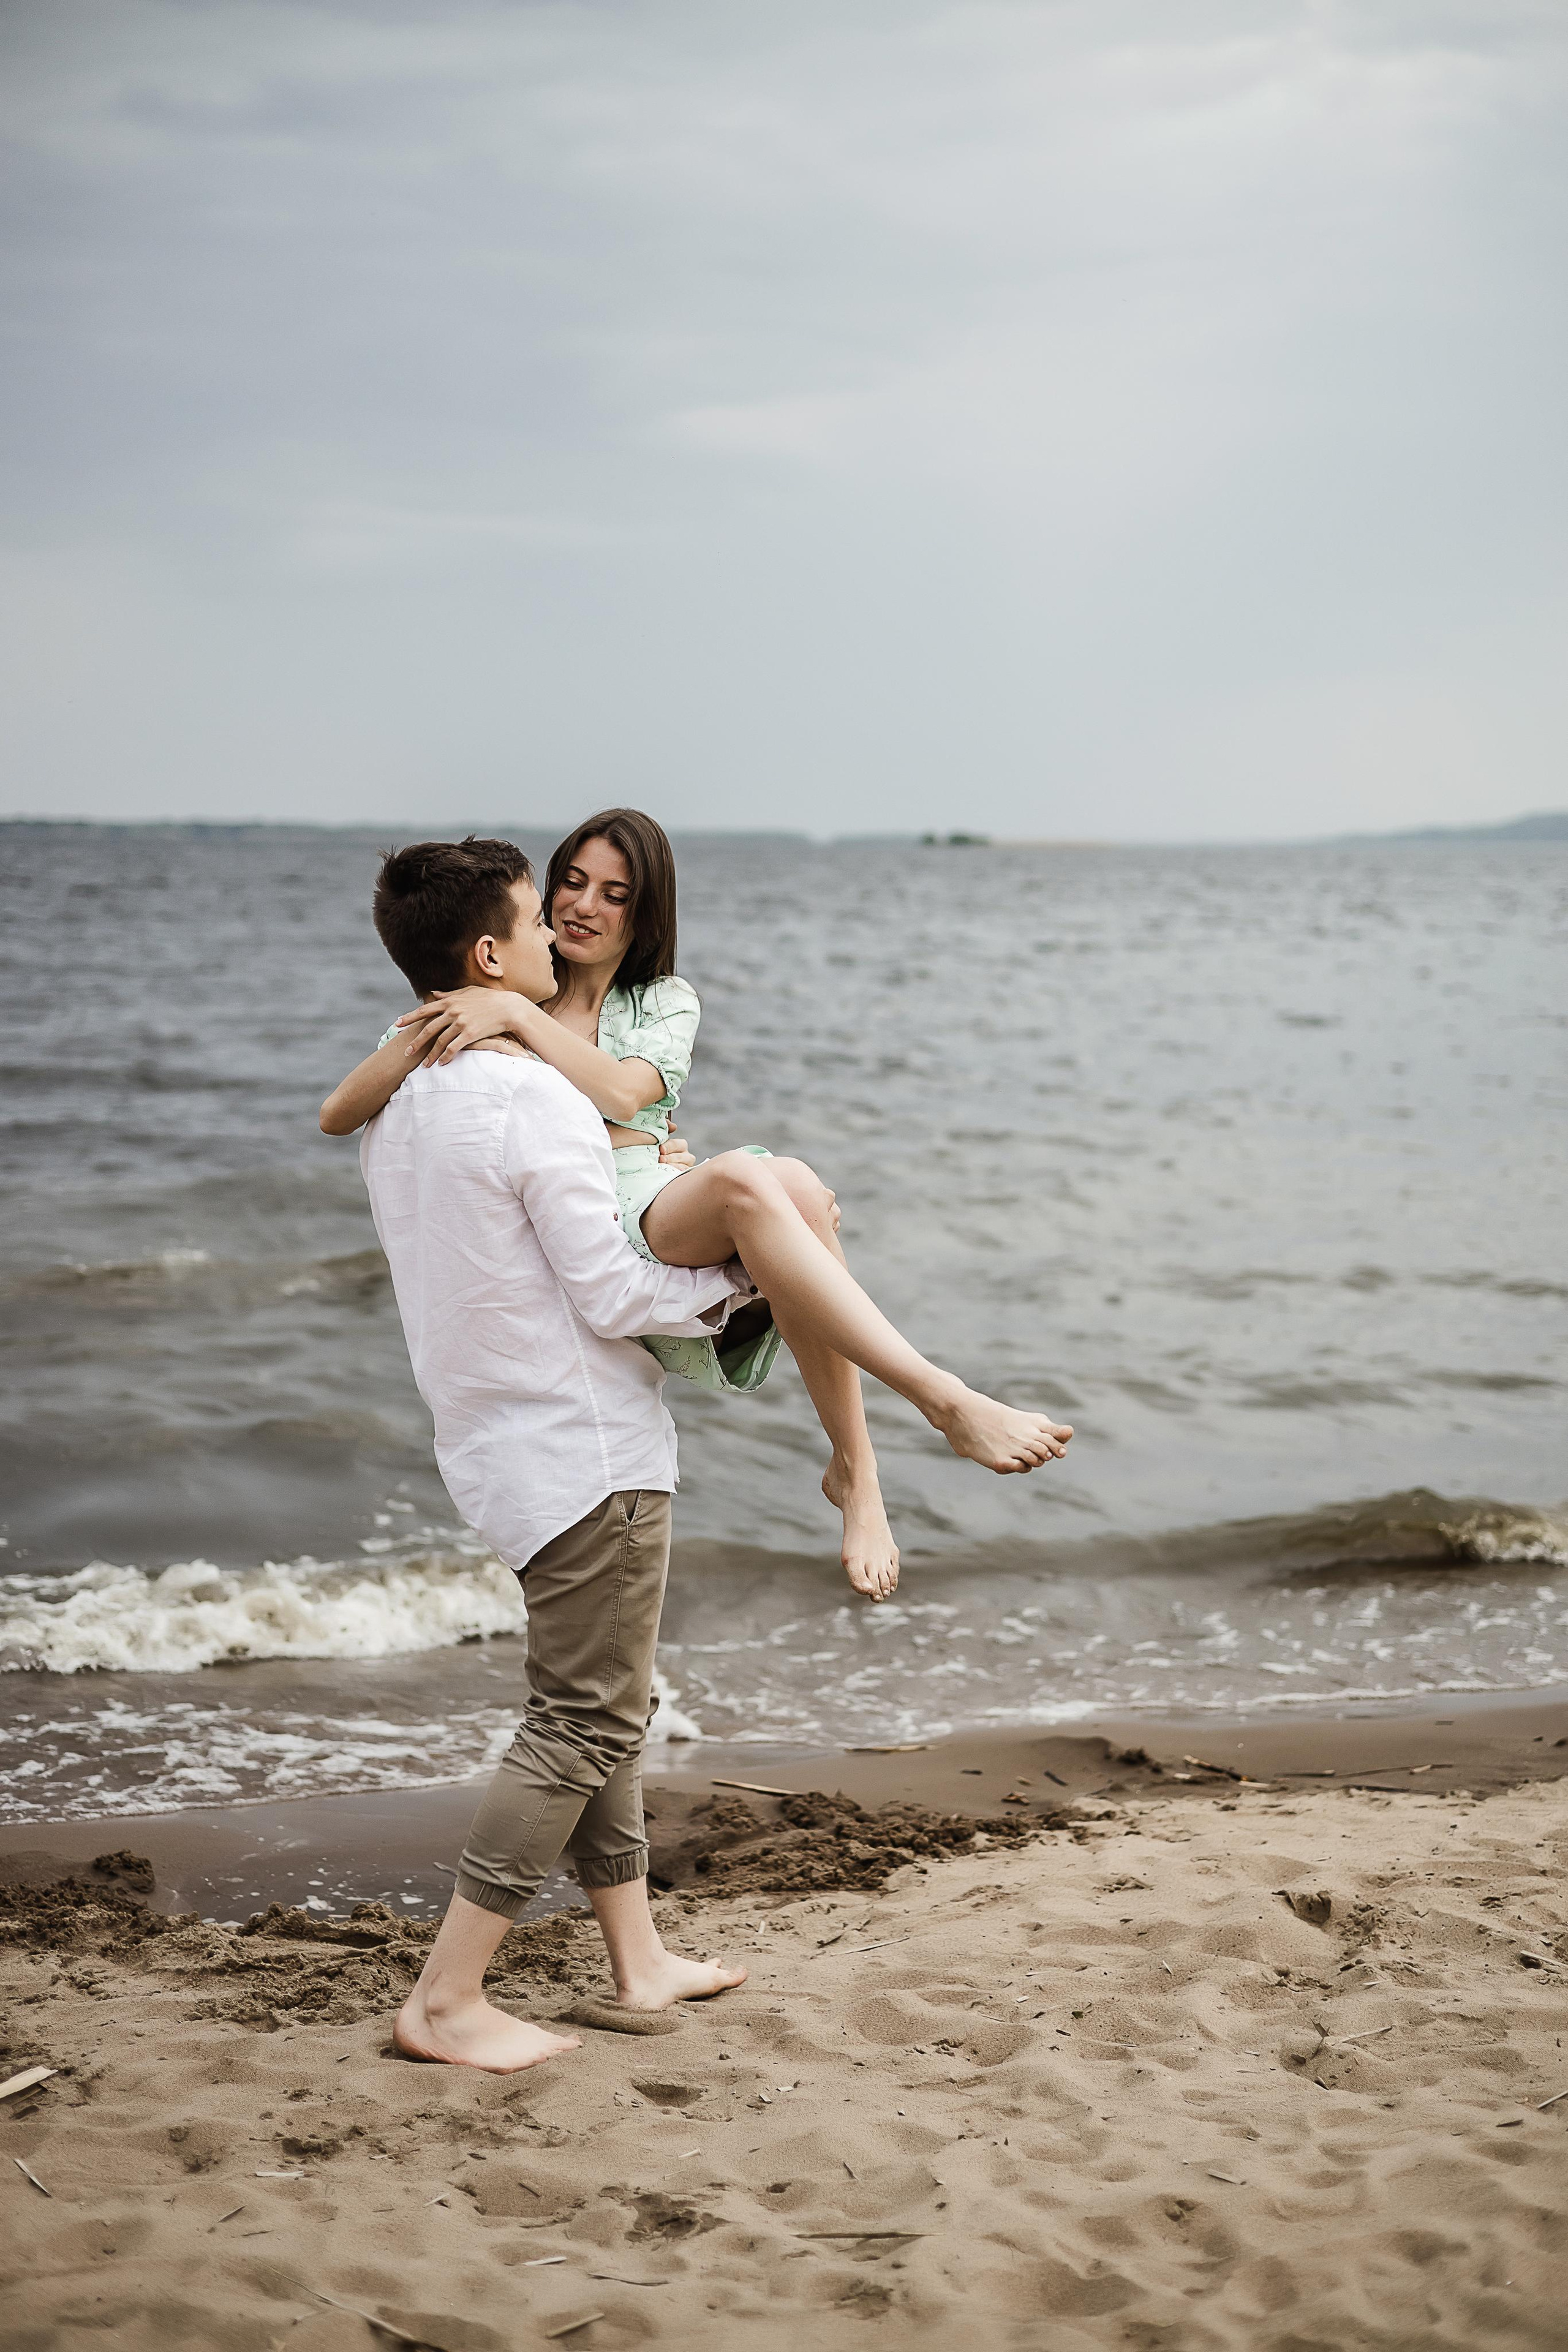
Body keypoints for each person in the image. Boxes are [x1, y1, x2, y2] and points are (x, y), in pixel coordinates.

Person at [322, 810, 1075, 1604]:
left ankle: (859, 1468)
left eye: (614, 894)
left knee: (794, 1183)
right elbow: (341, 1112)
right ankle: (934, 1405)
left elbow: (623, 1091)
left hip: (650, 1199)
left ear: (643, 915)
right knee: (772, 1185)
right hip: (588, 1216)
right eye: (571, 883)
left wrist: (515, 1024)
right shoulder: (496, 992)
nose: (583, 905)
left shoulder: (659, 1003)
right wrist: (451, 1027)